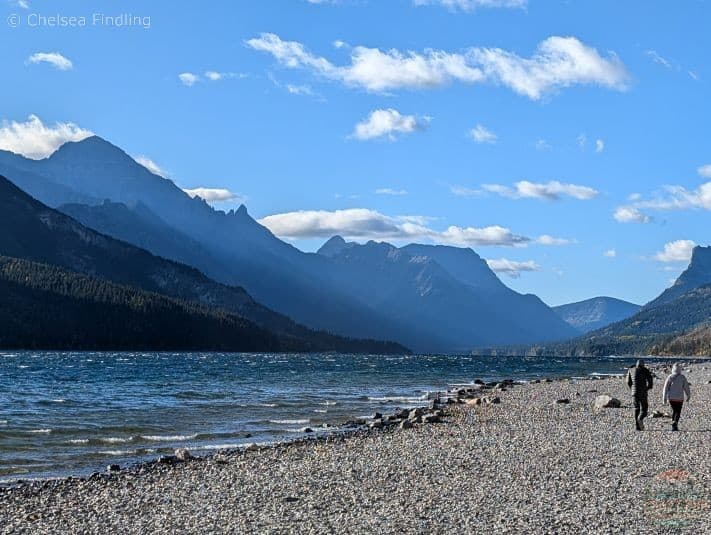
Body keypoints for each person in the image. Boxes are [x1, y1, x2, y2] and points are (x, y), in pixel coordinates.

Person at [662, 364, 691, 431]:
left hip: (671, 398)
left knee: (674, 411)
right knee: (678, 411)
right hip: (680, 398)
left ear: (673, 369)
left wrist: (664, 399)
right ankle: (675, 424)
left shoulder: (670, 377)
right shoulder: (682, 377)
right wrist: (688, 396)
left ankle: (673, 424)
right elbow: (686, 387)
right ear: (680, 369)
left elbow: (665, 388)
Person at [626, 359, 653, 430]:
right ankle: (640, 418)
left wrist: (631, 389)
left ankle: (637, 426)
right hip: (643, 392)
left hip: (634, 393)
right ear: (643, 365)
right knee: (644, 409)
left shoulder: (630, 370)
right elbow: (650, 380)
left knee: (636, 408)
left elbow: (628, 381)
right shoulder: (645, 370)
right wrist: (648, 388)